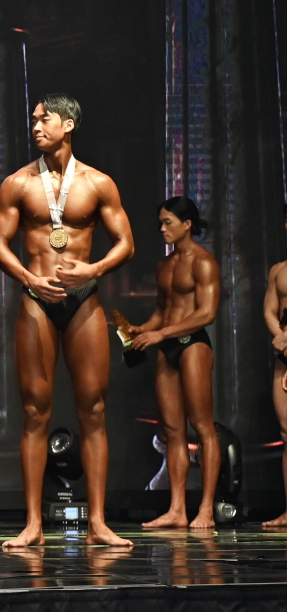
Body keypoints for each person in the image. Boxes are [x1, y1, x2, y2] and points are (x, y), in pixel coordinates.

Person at [0, 94, 134, 549]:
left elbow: (125, 242)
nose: (36, 126)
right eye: (33, 119)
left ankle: (98, 522)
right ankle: (33, 523)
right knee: (35, 410)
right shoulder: (18, 183)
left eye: (45, 119)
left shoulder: (97, 183)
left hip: (83, 299)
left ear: (68, 124)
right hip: (37, 297)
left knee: (93, 409)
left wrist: (94, 269)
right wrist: (28, 277)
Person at [125, 197, 220, 530]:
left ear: (187, 224)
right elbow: (161, 311)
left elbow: (207, 313)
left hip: (193, 345)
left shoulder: (204, 262)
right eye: (161, 223)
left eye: (168, 222)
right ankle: (177, 509)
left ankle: (206, 509)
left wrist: (161, 332)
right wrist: (142, 329)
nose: (162, 229)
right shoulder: (164, 265)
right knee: (173, 432)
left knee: (203, 427)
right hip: (167, 347)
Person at [265, 205, 287, 529]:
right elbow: (270, 309)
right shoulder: (278, 270)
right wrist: (281, 336)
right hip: (284, 355)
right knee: (286, 434)